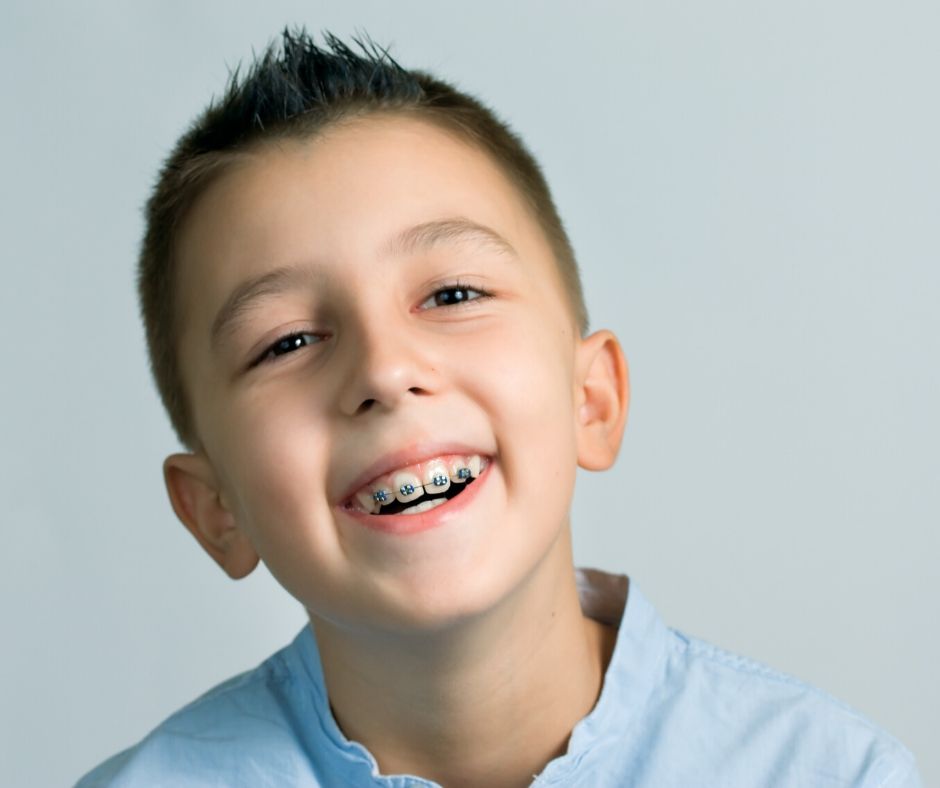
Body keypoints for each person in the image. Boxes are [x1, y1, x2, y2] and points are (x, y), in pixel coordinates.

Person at [76, 29, 921, 787]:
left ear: (590, 399)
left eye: (449, 293)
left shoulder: (831, 774)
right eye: (288, 341)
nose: (386, 369)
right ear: (217, 509)